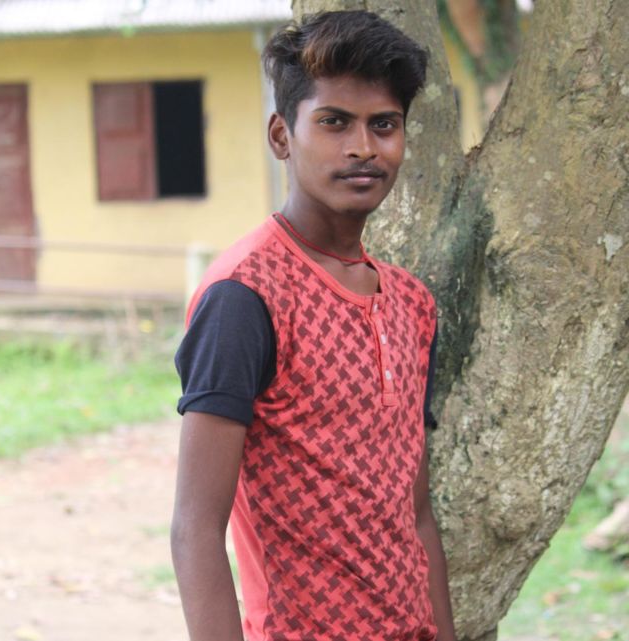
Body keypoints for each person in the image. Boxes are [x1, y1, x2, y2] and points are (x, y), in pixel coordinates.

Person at [171, 10, 456, 641]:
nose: (363, 148)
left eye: (384, 125)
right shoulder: (245, 296)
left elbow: (418, 515)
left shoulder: (413, 305)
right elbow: (195, 527)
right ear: (282, 136)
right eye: (334, 122)